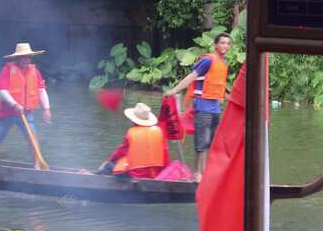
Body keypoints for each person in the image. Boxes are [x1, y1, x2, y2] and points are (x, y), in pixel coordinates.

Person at [165, 33, 232, 182]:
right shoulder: (208, 60)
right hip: (203, 106)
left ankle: (205, 172)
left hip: (215, 108)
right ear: (216, 45)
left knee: (211, 142)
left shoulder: (224, 63)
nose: (225, 46)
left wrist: (235, 100)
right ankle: (197, 174)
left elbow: (220, 88)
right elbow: (192, 76)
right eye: (222, 43)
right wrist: (174, 91)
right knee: (202, 142)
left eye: (228, 43)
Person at [0, 42, 52, 168]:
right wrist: (14, 105)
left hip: (26, 113)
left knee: (33, 139)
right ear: (17, 58)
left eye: (28, 57)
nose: (25, 59)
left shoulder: (35, 72)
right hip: (6, 113)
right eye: (23, 57)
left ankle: (37, 165)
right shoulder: (7, 70)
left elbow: (41, 90)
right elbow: (2, 91)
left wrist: (46, 109)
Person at [97, 103, 169, 179]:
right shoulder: (159, 131)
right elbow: (165, 154)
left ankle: (97, 176)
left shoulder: (131, 132)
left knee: (109, 166)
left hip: (136, 175)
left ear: (133, 120)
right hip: (155, 174)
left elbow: (121, 151)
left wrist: (108, 162)